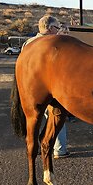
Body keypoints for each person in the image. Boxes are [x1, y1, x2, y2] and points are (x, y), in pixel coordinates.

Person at [23, 15, 70, 159]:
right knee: (56, 116)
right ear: (50, 28)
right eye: (57, 28)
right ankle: (59, 149)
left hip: (31, 89)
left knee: (33, 119)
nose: (58, 31)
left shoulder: (28, 43)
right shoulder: (52, 43)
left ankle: (34, 147)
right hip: (50, 87)